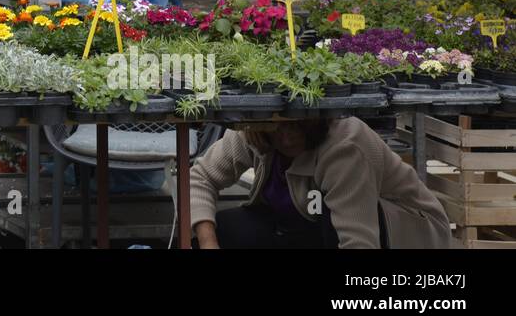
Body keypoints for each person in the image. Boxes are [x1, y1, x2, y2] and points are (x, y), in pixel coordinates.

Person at [190, 118, 452, 249]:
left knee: (329, 217)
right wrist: (209, 244)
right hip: (306, 223)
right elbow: (200, 178)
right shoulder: (253, 131)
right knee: (225, 229)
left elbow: (358, 242)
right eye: (279, 128)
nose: (289, 137)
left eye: (298, 126)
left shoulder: (345, 146)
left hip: (405, 231)